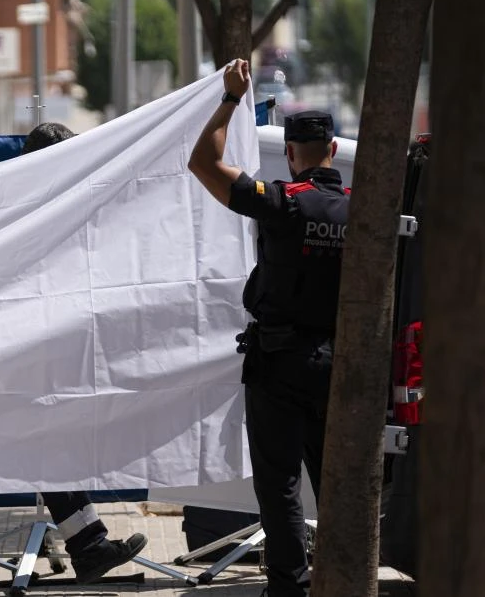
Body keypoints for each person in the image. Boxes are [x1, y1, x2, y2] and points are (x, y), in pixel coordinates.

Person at [0, 122, 149, 597]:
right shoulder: (7, 204)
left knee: (43, 439)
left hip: (16, 351)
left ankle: (88, 544)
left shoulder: (39, 204)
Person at [186, 59, 350, 597]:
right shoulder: (362, 212)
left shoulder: (282, 202)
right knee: (338, 484)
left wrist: (231, 98)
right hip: (341, 367)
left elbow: (203, 162)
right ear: (332, 149)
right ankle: (345, 579)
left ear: (295, 153)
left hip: (280, 364)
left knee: (279, 485)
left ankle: (289, 586)